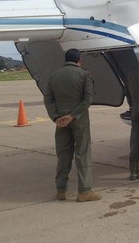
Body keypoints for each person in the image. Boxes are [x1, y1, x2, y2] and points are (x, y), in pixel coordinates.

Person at [43, 49, 101, 202]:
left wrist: (56, 117)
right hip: (79, 120)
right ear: (79, 60)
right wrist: (73, 116)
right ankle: (85, 191)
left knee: (63, 155)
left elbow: (48, 100)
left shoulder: (54, 76)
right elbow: (87, 100)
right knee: (82, 154)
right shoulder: (84, 74)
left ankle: (61, 190)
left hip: (61, 122)